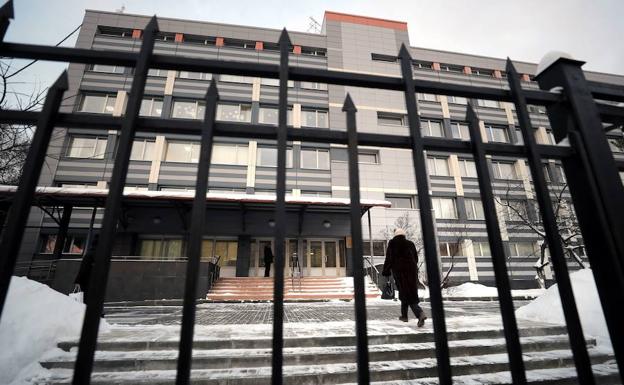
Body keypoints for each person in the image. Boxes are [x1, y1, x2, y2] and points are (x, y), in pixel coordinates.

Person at [382, 228, 427, 326]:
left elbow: (389, 258)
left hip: (400, 272)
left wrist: (386, 271)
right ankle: (404, 316)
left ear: (395, 235)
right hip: (412, 271)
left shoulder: (393, 243)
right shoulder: (410, 243)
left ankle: (420, 313)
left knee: (406, 293)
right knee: (407, 292)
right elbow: (416, 258)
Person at [74, 234, 98, 304]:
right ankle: (99, 313)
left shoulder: (89, 255)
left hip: (87, 282)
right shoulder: (101, 255)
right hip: (96, 282)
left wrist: (78, 281)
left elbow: (83, 269)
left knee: (85, 300)